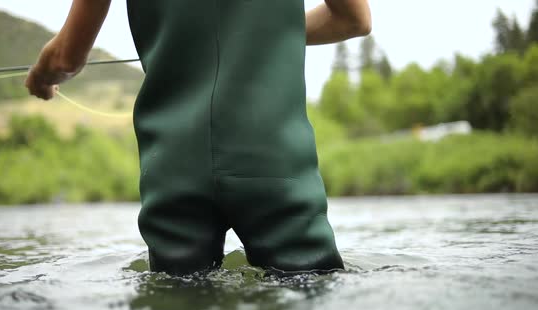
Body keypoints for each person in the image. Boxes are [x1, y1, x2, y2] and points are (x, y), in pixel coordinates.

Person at [26, 0, 371, 275]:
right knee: (308, 289)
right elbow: (354, 19)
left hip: (173, 166)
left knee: (176, 301)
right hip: (274, 160)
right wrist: (265, 30)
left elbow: (66, 57)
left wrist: (42, 76)